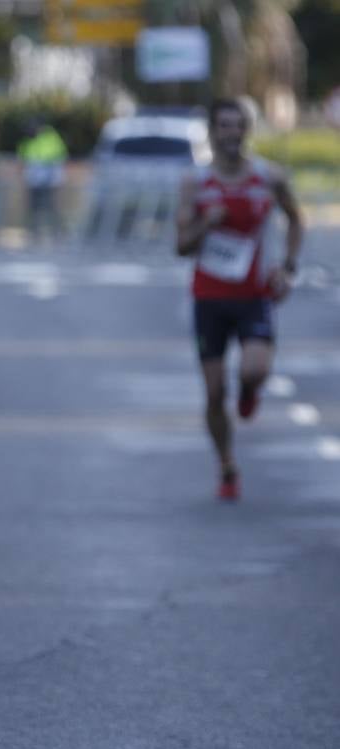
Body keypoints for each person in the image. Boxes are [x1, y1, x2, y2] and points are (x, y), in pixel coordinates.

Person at [176, 98, 303, 501]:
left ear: (247, 131)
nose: (232, 134)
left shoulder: (268, 176)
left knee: (253, 371)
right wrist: (204, 224)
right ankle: (227, 465)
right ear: (212, 132)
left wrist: (287, 266)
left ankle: (250, 391)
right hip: (209, 298)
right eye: (224, 127)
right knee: (214, 394)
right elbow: (180, 245)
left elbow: (296, 218)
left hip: (254, 295)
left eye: (238, 126)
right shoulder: (196, 183)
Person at [17, 120, 68, 244]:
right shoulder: (27, 141)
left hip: (49, 181)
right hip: (34, 180)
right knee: (33, 208)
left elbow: (58, 156)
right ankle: (34, 232)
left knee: (52, 207)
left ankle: (57, 232)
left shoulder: (50, 137)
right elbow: (22, 157)